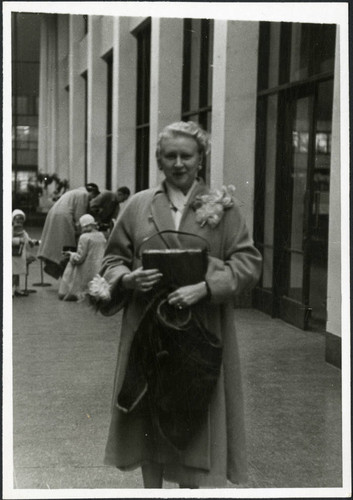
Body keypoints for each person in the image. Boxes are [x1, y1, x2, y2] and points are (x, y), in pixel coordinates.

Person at [90, 122, 262, 488]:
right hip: (147, 331)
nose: (179, 163)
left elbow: (248, 264)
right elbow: (111, 260)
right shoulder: (138, 205)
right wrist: (127, 278)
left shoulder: (223, 209)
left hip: (200, 332)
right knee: (146, 418)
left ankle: (189, 491)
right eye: (171, 156)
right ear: (159, 160)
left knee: (194, 412)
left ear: (201, 159)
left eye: (188, 155)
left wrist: (205, 287)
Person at [37, 183, 100, 279]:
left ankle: (60, 269)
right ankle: (66, 273)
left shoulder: (75, 191)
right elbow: (80, 218)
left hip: (55, 215)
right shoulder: (84, 195)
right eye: (92, 198)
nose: (91, 200)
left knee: (57, 246)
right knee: (67, 246)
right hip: (63, 218)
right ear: (92, 192)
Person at [58, 214, 106, 301]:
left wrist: (71, 255)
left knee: (68, 266)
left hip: (86, 269)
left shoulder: (84, 237)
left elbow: (79, 259)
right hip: (99, 268)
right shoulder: (101, 236)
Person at [12, 209, 39, 297]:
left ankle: (17, 288)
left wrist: (31, 242)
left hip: (19, 255)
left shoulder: (23, 231)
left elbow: (27, 239)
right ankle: (11, 289)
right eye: (17, 221)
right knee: (13, 273)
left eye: (21, 222)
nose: (19, 224)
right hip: (12, 254)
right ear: (13, 220)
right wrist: (19, 240)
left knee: (17, 272)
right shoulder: (10, 229)